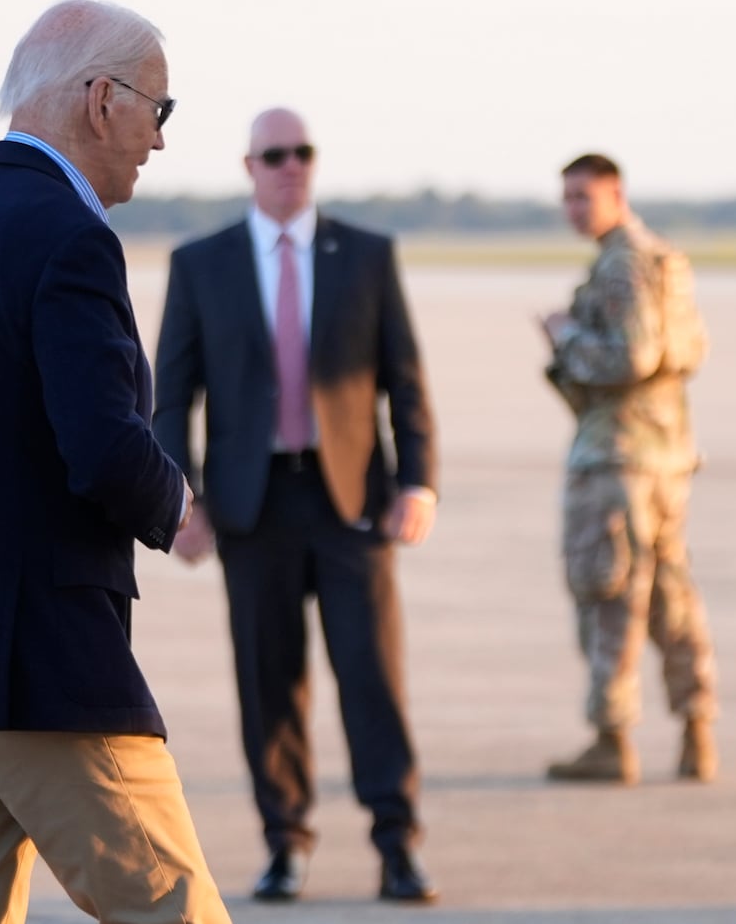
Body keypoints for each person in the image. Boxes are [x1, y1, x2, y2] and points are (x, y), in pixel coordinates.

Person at [0, 0, 230, 924]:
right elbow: (103, 447)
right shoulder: (69, 236)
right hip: (38, 669)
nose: (159, 138)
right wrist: (178, 496)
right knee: (175, 909)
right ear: (103, 99)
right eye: (160, 109)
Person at [152, 107, 439, 904]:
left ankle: (398, 842)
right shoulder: (201, 262)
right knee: (268, 680)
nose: (291, 166)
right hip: (252, 507)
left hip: (353, 503)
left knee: (372, 676)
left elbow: (405, 382)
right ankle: (286, 842)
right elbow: (172, 393)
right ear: (250, 165)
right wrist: (182, 498)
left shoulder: (367, 255)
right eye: (275, 154)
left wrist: (419, 481)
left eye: (303, 152)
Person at [541, 153, 719, 785]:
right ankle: (697, 723)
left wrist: (565, 340)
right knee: (671, 590)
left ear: (616, 194)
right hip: (667, 454)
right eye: (567, 198)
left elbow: (633, 356)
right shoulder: (663, 260)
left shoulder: (623, 264)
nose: (574, 210)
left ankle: (612, 737)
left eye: (584, 197)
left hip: (621, 456)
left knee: (610, 590)